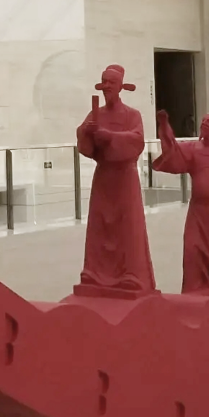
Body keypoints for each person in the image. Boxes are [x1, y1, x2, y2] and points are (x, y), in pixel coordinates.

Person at [75, 65, 156, 297]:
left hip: (125, 177)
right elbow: (85, 143)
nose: (107, 86)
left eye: (112, 82)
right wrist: (86, 131)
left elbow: (137, 139)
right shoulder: (95, 114)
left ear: (121, 86)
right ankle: (95, 271)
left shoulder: (132, 115)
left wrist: (110, 137)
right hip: (104, 176)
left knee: (127, 225)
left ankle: (130, 273)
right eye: (104, 82)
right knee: (100, 224)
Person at [153, 111, 209, 295]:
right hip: (198, 212)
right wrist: (165, 127)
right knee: (193, 250)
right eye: (204, 121)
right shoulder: (194, 149)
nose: (205, 124)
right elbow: (174, 153)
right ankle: (195, 289)